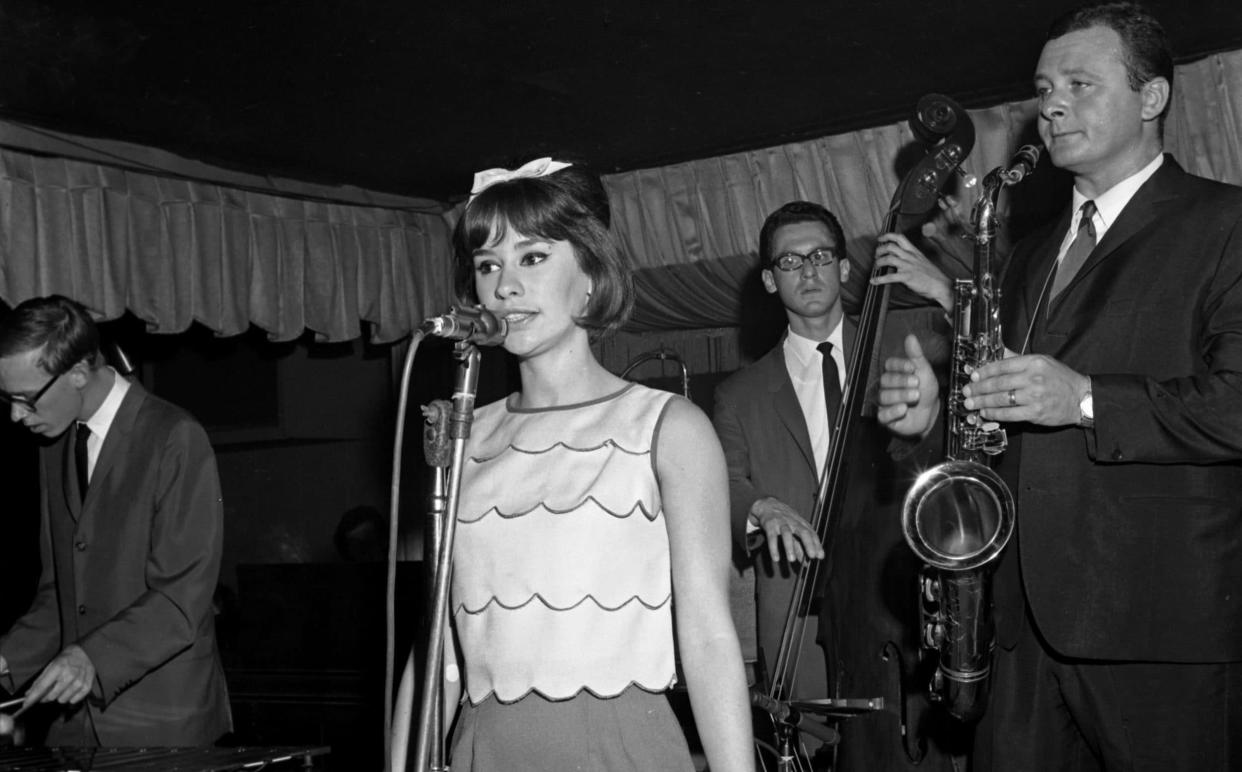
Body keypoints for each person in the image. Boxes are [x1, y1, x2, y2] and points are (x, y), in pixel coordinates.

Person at [877, 3, 1242, 769]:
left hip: (1158, 630)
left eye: (1080, 82)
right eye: (1044, 87)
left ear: (1152, 99)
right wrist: (935, 418)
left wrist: (1083, 400)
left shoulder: (1226, 224)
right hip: (1017, 631)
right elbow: (1003, 422)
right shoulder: (1024, 254)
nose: (1051, 105)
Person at [439, 159, 753, 771]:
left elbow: (710, 636)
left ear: (590, 274)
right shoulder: (461, 435)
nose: (504, 286)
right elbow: (440, 647)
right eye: (487, 265)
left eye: (532, 258)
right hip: (483, 747)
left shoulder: (669, 427)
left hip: (618, 744)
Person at [712, 201, 961, 770]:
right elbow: (721, 479)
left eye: (822, 255)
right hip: (799, 611)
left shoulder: (907, 354)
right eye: (791, 261)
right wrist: (760, 507)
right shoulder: (739, 394)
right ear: (771, 281)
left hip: (895, 613)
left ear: (846, 268)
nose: (809, 271)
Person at [0, 296, 231, 746]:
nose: (14, 415)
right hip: (78, 728)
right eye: (7, 399)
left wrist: (90, 658)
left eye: (25, 400)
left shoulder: (175, 438)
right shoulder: (53, 447)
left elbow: (181, 598)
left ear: (79, 373)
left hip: (164, 724)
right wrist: (6, 658)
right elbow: (61, 595)